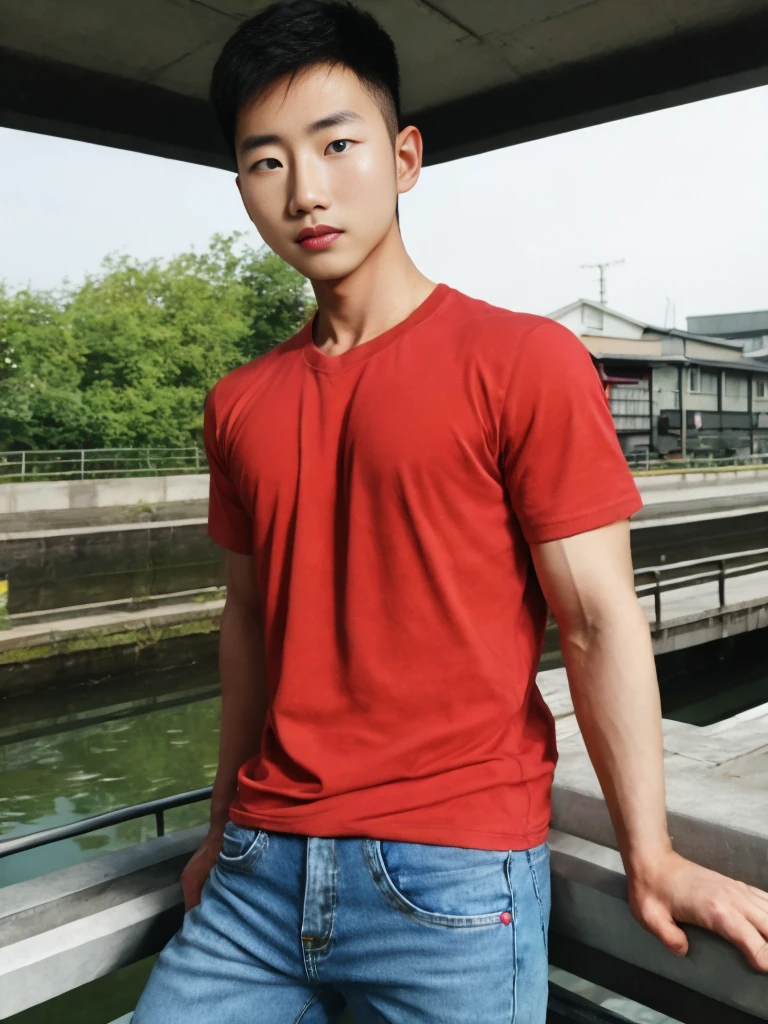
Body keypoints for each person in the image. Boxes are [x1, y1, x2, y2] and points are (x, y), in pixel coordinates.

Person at [132, 2, 768, 1021]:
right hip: (254, 874)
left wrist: (651, 855)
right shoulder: (238, 402)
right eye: (267, 162)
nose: (307, 190)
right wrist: (218, 829)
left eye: (338, 144)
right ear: (244, 185)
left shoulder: (524, 363)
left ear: (405, 156)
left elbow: (599, 620)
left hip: (452, 877)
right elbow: (248, 622)